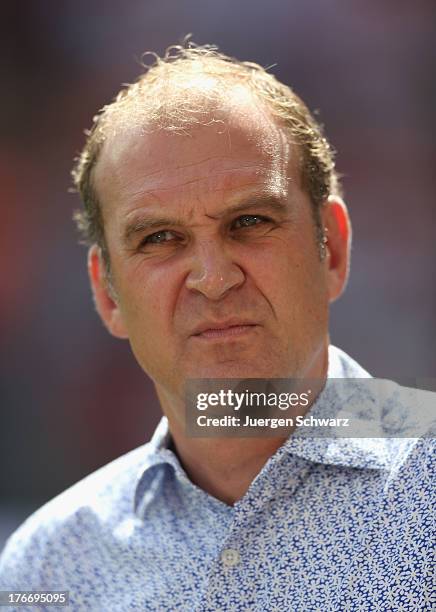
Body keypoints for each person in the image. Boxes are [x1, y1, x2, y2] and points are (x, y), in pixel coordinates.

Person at [0, 43, 433, 611]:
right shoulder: (46, 568)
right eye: (159, 239)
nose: (212, 277)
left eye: (250, 222)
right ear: (108, 294)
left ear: (333, 249)